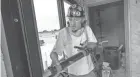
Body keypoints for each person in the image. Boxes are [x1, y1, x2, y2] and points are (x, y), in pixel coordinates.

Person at [50, 4, 97, 77]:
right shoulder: (63, 33)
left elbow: (94, 43)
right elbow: (54, 53)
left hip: (89, 70)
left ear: (82, 19)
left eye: (76, 19)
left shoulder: (87, 29)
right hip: (73, 73)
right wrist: (57, 63)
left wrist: (87, 47)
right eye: (71, 19)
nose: (73, 23)